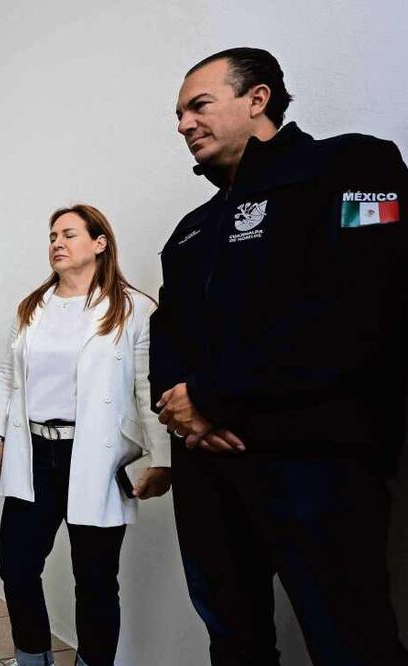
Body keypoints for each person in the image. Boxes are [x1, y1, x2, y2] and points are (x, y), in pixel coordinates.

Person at [152, 47, 408, 665]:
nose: (184, 124)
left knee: (352, 640)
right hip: (208, 470)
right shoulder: (191, 228)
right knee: (234, 640)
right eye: (178, 114)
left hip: (316, 463)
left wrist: (212, 398)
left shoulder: (353, 166)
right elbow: (166, 336)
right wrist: (184, 413)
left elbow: (365, 308)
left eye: (199, 105)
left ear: (258, 99)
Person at [0, 204, 171, 666]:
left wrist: (162, 460)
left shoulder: (133, 308)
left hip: (96, 458)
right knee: (16, 563)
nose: (57, 244)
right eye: (52, 236)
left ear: (100, 243)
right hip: (34, 454)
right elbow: (9, 377)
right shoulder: (32, 307)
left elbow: (149, 387)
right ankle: (33, 658)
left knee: (94, 578)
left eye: (69, 234)